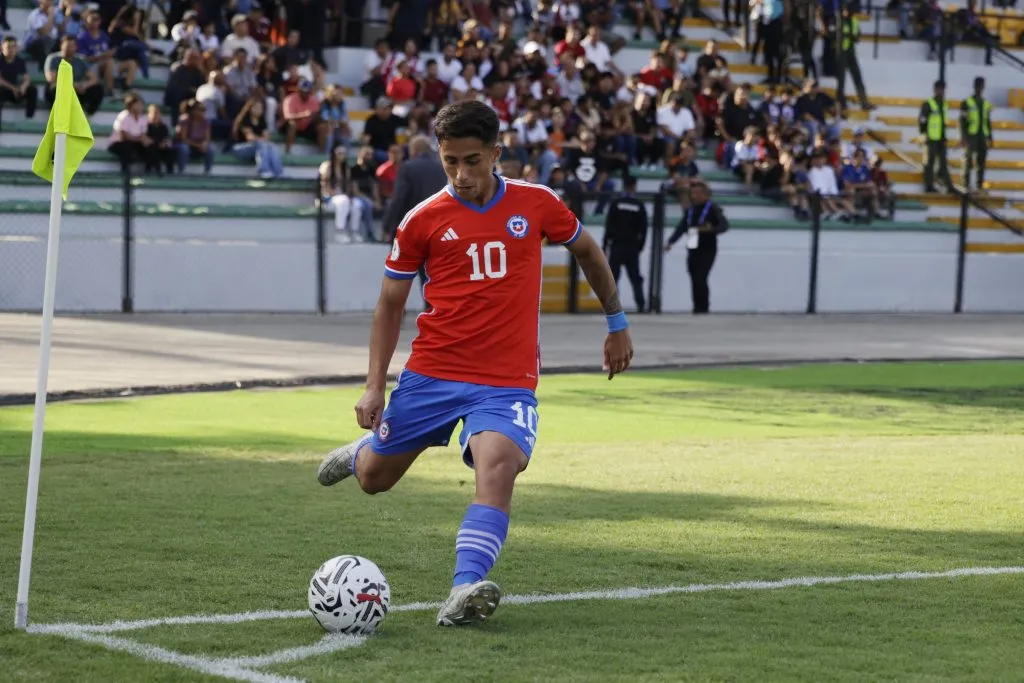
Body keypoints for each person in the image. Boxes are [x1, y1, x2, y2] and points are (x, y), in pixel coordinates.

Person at [315, 99, 633, 627]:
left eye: (472, 161)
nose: (461, 174)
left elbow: (589, 253)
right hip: (433, 372)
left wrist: (616, 321)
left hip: (506, 382)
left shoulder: (537, 203)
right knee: (374, 480)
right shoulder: (422, 220)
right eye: (450, 162)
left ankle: (464, 590)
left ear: (495, 154)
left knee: (499, 467)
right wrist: (374, 387)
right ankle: (363, 454)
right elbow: (389, 304)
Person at [664, 181, 729, 314]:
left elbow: (724, 226)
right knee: (693, 276)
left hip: (707, 248)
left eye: (697, 193)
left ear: (705, 195)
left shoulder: (712, 208)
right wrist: (670, 242)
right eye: (692, 194)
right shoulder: (691, 210)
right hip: (693, 247)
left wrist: (710, 230)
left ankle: (704, 307)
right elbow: (681, 227)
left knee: (701, 277)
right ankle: (696, 306)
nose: (694, 196)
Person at [602, 175, 648, 313]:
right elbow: (644, 228)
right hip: (632, 246)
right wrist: (640, 246)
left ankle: (613, 307)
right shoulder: (638, 205)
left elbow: (609, 225)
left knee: (613, 278)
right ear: (634, 186)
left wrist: (605, 245)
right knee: (635, 277)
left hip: (617, 245)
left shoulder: (616, 202)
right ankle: (641, 305)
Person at [918, 79, 954, 193]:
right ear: (935, 90)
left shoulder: (944, 104)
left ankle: (949, 186)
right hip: (931, 138)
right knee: (930, 163)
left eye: (942, 89)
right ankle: (929, 186)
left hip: (941, 138)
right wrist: (924, 133)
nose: (941, 92)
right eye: (939, 89)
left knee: (943, 163)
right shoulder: (929, 104)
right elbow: (922, 120)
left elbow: (943, 121)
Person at [835, 4, 873, 111]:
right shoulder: (839, 21)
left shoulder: (854, 21)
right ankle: (840, 102)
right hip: (841, 52)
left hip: (851, 52)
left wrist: (853, 36)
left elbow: (857, 36)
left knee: (857, 77)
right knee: (841, 80)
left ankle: (864, 101)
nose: (845, 12)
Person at [960, 76, 992, 193]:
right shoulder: (967, 102)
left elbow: (987, 121)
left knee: (981, 162)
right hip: (971, 135)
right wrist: (963, 136)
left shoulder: (985, 103)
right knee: (968, 160)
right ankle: (966, 184)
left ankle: (979, 185)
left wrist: (990, 136)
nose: (980, 88)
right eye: (978, 86)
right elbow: (962, 121)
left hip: (982, 135)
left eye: (982, 86)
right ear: (974, 87)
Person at [0, 36, 38, 124]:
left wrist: (22, 88)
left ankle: (29, 118)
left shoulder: (19, 61)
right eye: (8, 47)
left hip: (16, 91)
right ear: (2, 47)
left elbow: (26, 78)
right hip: (4, 90)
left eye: (13, 47)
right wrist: (14, 88)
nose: (11, 49)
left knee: (32, 90)